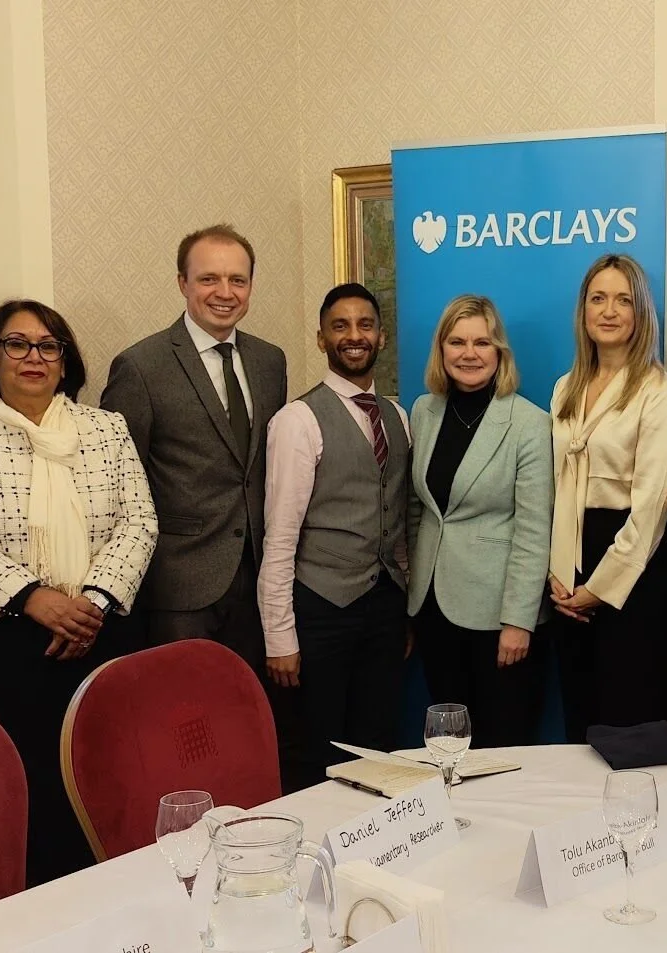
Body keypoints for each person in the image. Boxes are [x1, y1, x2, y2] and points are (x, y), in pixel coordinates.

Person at [0, 300, 156, 885]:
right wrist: (31, 597)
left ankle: (106, 896)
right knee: (12, 790)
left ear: (64, 361)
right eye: (16, 344)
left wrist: (93, 602)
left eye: (48, 346)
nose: (33, 357)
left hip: (96, 637)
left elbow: (140, 522)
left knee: (101, 779)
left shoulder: (106, 429)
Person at [99, 225, 291, 780]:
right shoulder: (141, 365)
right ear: (182, 282)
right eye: (209, 279)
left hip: (255, 577)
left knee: (244, 721)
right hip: (178, 583)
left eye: (237, 280)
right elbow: (119, 477)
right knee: (183, 729)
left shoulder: (270, 361)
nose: (224, 292)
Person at [258, 283, 410, 788]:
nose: (354, 336)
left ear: (381, 337)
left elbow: (397, 519)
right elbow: (280, 537)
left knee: (378, 746)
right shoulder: (298, 420)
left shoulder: (398, 417)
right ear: (322, 339)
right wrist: (280, 637)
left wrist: (403, 608)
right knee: (318, 750)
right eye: (339, 326)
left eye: (365, 325)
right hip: (321, 609)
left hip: (384, 608)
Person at [547, 255, 667, 742]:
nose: (609, 311)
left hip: (631, 567)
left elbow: (651, 509)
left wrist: (600, 588)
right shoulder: (566, 387)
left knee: (625, 724)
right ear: (583, 309)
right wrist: (560, 576)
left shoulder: (659, 392)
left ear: (640, 312)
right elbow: (560, 487)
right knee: (578, 718)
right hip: (572, 562)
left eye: (623, 300)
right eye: (598, 298)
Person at [407, 295, 554, 747]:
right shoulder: (424, 411)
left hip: (497, 620)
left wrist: (519, 621)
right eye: (457, 342)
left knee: (501, 745)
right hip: (433, 610)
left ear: (499, 352)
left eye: (482, 343)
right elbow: (418, 509)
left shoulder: (530, 424)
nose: (469, 353)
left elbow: (534, 531)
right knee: (449, 746)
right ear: (441, 349)